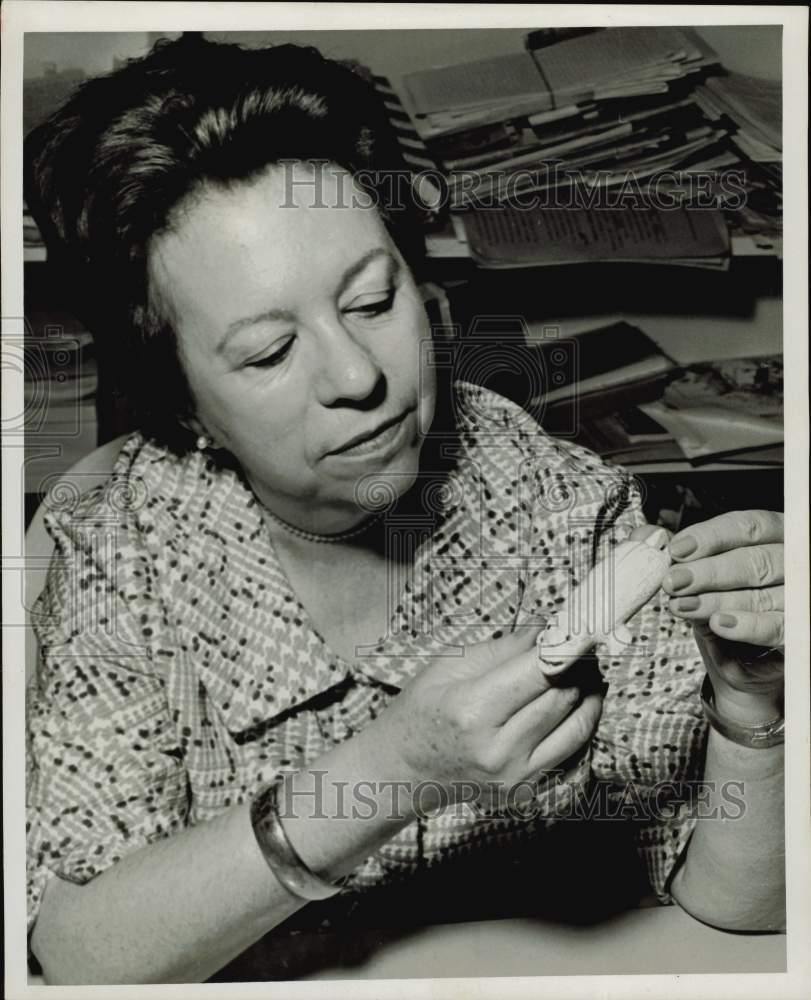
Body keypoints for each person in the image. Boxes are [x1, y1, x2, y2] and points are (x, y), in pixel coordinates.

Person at [24, 35, 786, 985]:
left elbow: (741, 909)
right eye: (268, 355)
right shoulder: (115, 558)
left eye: (374, 301)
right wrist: (391, 772)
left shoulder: (557, 497)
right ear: (181, 402)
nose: (360, 379)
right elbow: (78, 956)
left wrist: (753, 707)